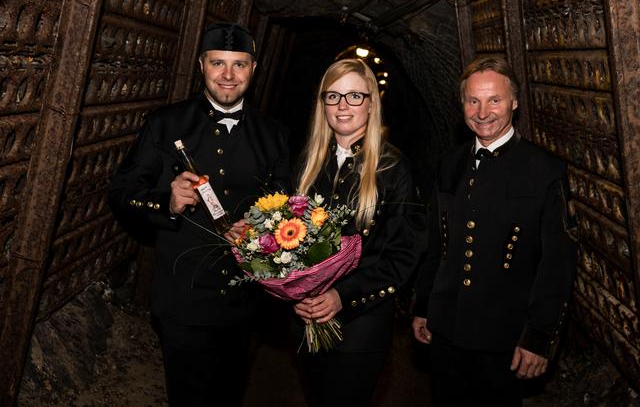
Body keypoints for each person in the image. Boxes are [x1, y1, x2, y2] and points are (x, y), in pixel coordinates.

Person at [108, 23, 290, 406]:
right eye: (218, 63)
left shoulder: (274, 135)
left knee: (228, 394)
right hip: (182, 297)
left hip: (245, 300)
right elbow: (123, 193)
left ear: (253, 69)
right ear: (201, 65)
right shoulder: (165, 123)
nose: (228, 75)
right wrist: (166, 201)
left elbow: (286, 204)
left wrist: (260, 229)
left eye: (239, 65)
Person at [412, 56, 576, 406]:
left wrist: (538, 337)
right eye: (473, 101)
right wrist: (424, 305)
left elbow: (557, 262)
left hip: (504, 338)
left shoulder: (543, 170)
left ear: (514, 103)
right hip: (445, 331)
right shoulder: (450, 164)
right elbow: (437, 245)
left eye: (494, 100)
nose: (482, 112)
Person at [292, 58, 426, 407]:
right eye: (333, 96)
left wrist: (342, 296)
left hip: (361, 327)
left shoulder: (393, 168)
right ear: (322, 104)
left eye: (354, 96)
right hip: (306, 320)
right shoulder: (308, 162)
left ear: (371, 102)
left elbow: (402, 255)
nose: (342, 106)